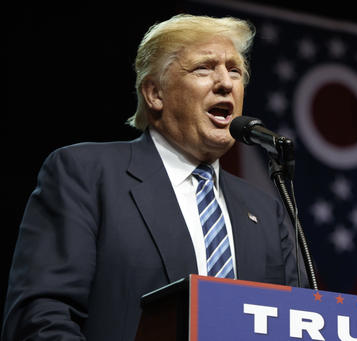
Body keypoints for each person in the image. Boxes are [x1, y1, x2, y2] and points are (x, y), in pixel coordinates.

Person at [2, 14, 305, 340]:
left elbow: (296, 324)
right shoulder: (87, 174)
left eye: (235, 71)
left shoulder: (265, 209)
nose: (225, 82)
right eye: (204, 68)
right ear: (154, 93)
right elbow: (41, 317)